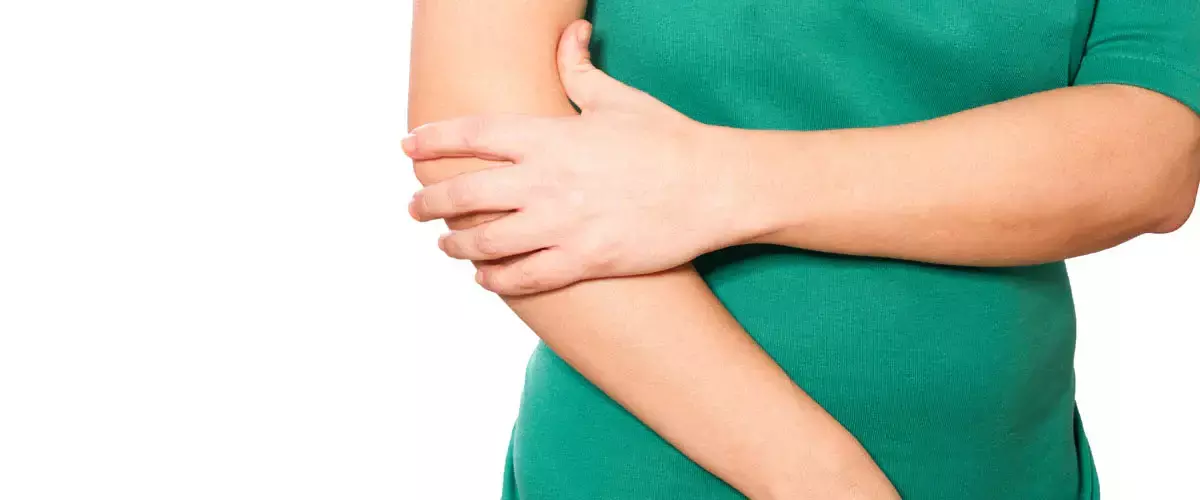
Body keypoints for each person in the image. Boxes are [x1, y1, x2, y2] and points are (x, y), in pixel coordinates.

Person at [406, 1, 1200, 498]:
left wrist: (719, 182)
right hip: (646, 467)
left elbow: (1150, 161)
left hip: (1001, 468)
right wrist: (819, 479)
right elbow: (484, 157)